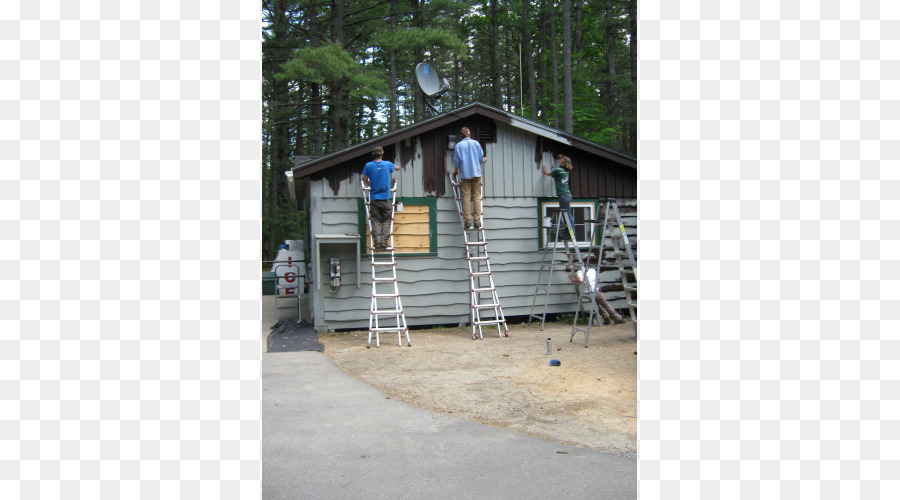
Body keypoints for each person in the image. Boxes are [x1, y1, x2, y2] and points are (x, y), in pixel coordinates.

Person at [361, 146, 395, 251]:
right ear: (382, 154)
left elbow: (364, 178)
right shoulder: (387, 164)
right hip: (386, 198)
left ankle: (378, 242)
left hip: (375, 198)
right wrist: (395, 167)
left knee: (375, 220)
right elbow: (396, 168)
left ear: (373, 154)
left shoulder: (368, 165)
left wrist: (370, 185)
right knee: (386, 220)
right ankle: (384, 242)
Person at [453, 127, 486, 230]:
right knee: (477, 197)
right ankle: (477, 222)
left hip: (465, 175)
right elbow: (481, 159)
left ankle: (467, 222)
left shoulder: (458, 146)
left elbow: (457, 162)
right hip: (476, 174)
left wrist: (456, 171)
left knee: (466, 198)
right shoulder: (476, 143)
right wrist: (484, 159)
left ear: (462, 134)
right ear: (469, 133)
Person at [542, 154, 574, 229]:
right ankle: (569, 230)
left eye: (560, 161)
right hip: (567, 195)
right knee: (567, 214)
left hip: (563, 196)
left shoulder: (558, 171)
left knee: (567, 214)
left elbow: (549, 174)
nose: (559, 162)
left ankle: (571, 231)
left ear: (562, 163)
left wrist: (545, 170)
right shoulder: (566, 171)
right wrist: (561, 157)